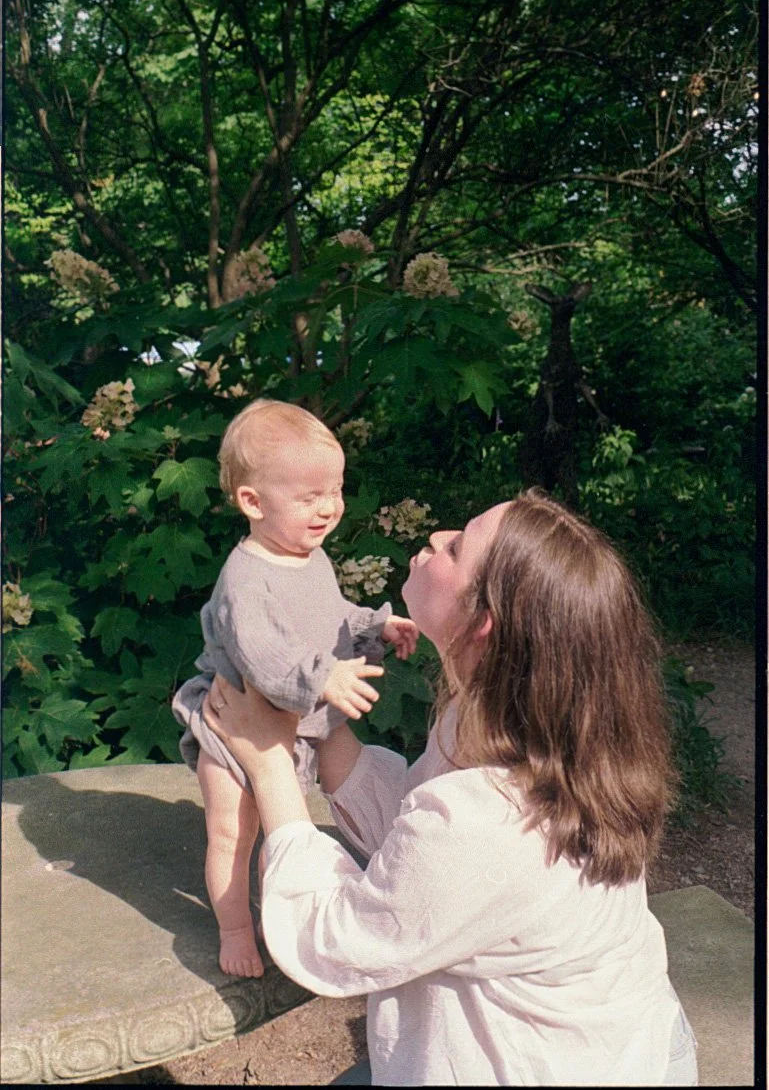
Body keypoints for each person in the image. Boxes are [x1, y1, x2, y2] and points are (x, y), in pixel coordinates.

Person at [201, 489, 699, 1086]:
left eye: (457, 546)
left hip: (562, 1069)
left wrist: (269, 763)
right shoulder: (515, 728)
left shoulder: (500, 816)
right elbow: (422, 846)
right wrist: (325, 734)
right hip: (615, 1039)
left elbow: (338, 937)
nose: (436, 538)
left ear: (483, 623)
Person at [172, 399, 418, 978]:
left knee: (318, 803)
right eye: (308, 497)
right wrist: (322, 676)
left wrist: (371, 625)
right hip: (238, 722)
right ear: (252, 503)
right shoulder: (245, 577)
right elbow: (262, 659)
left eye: (334, 490)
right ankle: (236, 927)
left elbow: (327, 615)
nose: (328, 508)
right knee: (234, 829)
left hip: (303, 715)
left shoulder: (309, 557)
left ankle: (322, 892)